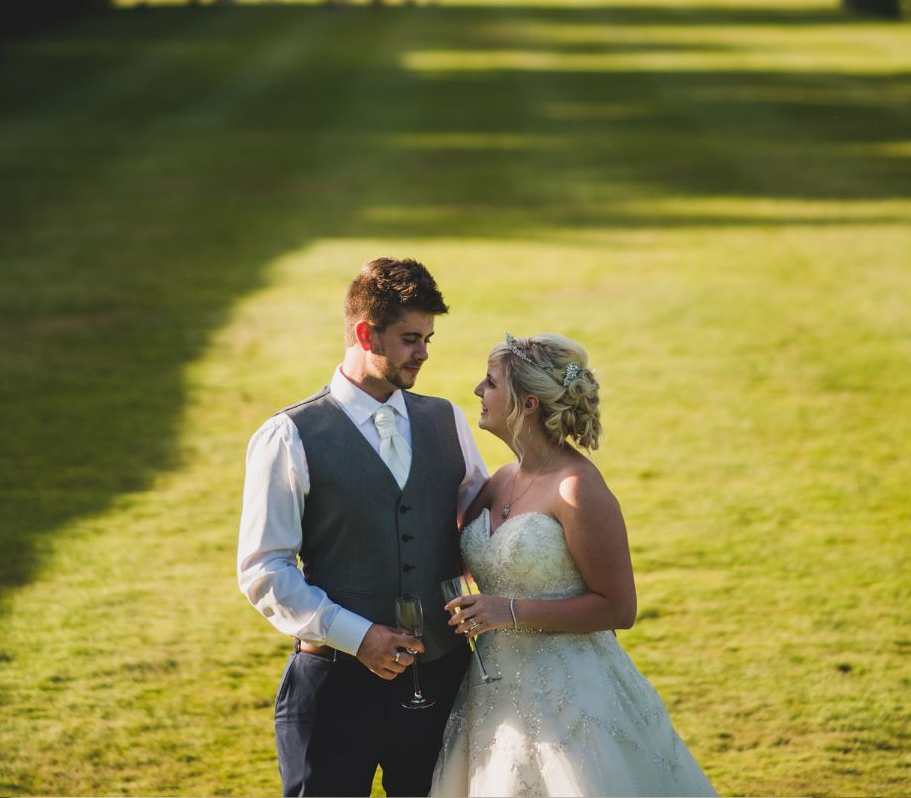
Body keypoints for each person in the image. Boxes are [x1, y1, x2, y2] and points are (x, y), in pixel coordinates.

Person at [238, 258, 489, 797]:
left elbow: (482, 530)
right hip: (334, 688)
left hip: (441, 681)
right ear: (364, 333)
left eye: (428, 339)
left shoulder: (446, 420)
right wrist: (360, 637)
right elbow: (264, 569)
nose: (423, 353)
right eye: (409, 339)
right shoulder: (288, 435)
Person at [430, 333, 716, 798]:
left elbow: (618, 607)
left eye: (491, 383)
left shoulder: (577, 489)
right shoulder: (502, 479)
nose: (478, 391)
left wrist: (509, 611)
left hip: (571, 693)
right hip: (494, 691)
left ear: (527, 404)